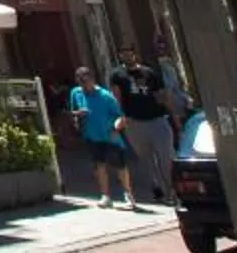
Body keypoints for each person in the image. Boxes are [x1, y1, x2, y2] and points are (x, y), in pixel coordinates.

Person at [112, 55, 176, 206]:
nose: (127, 56)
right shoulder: (118, 75)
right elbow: (117, 97)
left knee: (166, 156)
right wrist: (121, 117)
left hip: (157, 119)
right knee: (146, 159)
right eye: (123, 53)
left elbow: (162, 95)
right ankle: (157, 189)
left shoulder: (149, 73)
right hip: (135, 122)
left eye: (129, 52)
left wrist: (174, 116)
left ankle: (171, 191)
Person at [68, 64, 132, 207]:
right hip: (92, 135)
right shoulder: (76, 93)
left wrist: (117, 125)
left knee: (120, 165)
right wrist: (78, 114)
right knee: (99, 165)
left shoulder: (105, 96)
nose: (84, 86)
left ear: (92, 79)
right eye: (81, 83)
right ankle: (105, 196)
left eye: (86, 81)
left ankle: (128, 194)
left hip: (110, 134)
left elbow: (119, 116)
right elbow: (73, 111)